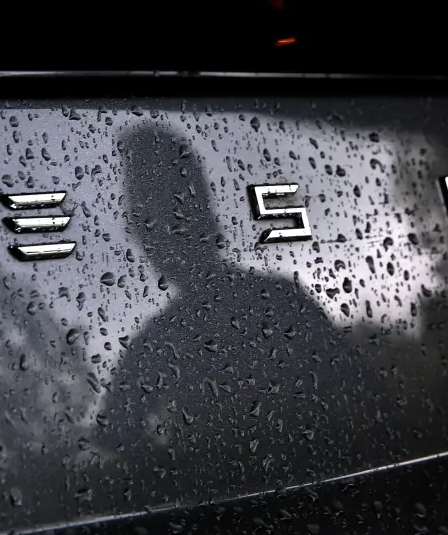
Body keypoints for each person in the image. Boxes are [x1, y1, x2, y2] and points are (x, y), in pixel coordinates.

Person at [103, 123, 374, 496]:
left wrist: (178, 477)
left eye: (160, 209)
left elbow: (363, 408)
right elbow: (114, 447)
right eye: (140, 213)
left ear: (201, 212)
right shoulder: (157, 345)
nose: (146, 230)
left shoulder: (278, 307)